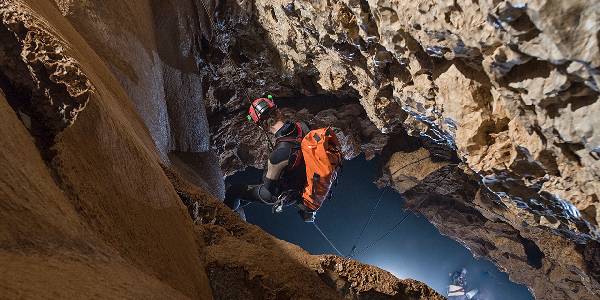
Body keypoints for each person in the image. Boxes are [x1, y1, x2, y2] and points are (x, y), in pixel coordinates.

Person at [224, 96, 317, 222]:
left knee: (234, 191)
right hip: (303, 183)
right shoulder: (303, 127)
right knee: (253, 187)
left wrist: (271, 169)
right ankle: (242, 201)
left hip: (283, 194)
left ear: (261, 126)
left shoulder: (278, 156)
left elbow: (270, 189)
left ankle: (225, 219)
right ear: (278, 111)